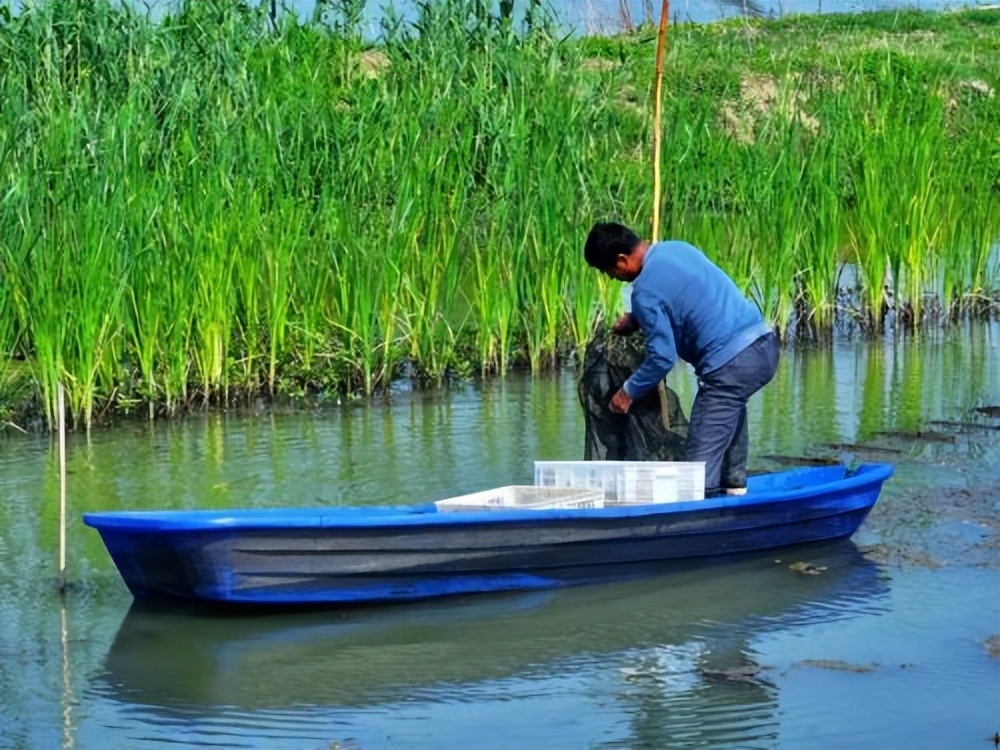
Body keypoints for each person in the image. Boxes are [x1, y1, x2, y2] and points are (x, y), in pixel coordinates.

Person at [583, 221, 780, 498]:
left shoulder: (644, 293)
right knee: (730, 406)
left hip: (731, 364)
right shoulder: (675, 249)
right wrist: (637, 319)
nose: (612, 278)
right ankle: (734, 488)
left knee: (695, 474)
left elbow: (662, 359)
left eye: (609, 271)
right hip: (763, 345)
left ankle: (701, 508)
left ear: (622, 260)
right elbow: (684, 295)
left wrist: (627, 392)